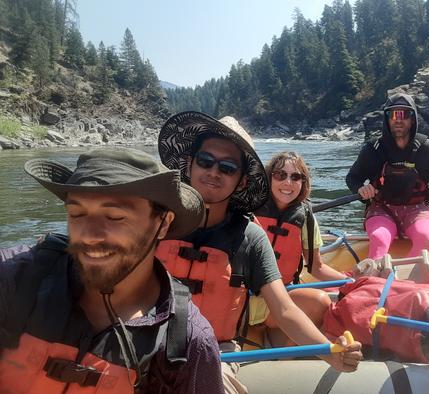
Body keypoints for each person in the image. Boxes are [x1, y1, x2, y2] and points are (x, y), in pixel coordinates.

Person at [157, 111, 362, 393]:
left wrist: (330, 353)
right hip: (150, 342)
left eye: (228, 167)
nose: (214, 172)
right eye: (206, 161)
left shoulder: (251, 237)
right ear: (189, 164)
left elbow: (285, 308)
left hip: (215, 353)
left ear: (241, 180)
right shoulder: (157, 222)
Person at [0, 148, 224, 393]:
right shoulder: (15, 278)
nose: (89, 235)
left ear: (163, 224)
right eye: (76, 213)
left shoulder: (188, 344)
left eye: (115, 217)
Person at [345, 92, 429, 261]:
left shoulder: (428, 148)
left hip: (419, 209)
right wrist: (361, 189)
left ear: (412, 119)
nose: (398, 119)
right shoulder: (373, 149)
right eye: (393, 114)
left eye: (405, 114)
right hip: (381, 209)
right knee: (379, 238)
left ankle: (406, 284)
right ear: (387, 119)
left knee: (426, 237)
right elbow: (352, 178)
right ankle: (377, 284)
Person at [252, 152, 348, 344]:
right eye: (280, 175)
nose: (288, 182)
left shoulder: (304, 217)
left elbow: (316, 267)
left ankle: (285, 360)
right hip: (240, 301)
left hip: (279, 300)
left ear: (303, 183)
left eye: (295, 177)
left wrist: (352, 282)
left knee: (321, 302)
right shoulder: (248, 210)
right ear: (269, 177)